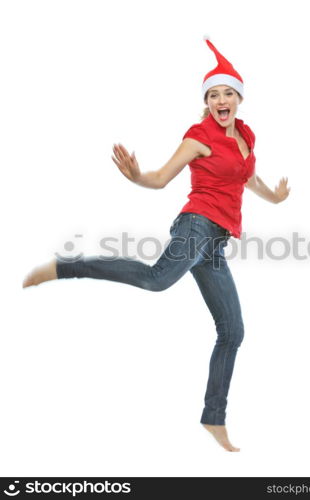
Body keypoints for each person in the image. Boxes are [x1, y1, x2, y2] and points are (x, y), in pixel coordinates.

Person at [22, 37, 291, 452]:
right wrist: (136, 177)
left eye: (228, 93)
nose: (222, 99)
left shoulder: (246, 137)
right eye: (214, 94)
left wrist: (275, 196)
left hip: (216, 243)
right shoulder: (199, 136)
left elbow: (247, 177)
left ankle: (213, 419)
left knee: (233, 331)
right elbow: (162, 177)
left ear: (240, 99)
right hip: (196, 226)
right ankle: (65, 266)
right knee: (156, 279)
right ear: (208, 101)